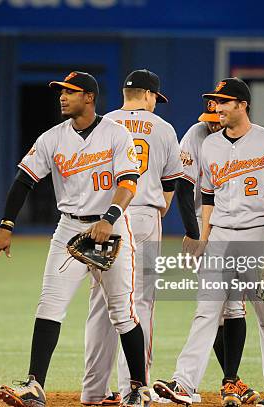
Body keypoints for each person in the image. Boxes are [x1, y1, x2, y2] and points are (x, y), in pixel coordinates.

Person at [0, 71, 151, 407]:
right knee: (50, 305)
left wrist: (109, 218)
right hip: (70, 230)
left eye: (70, 92)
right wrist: (6, 224)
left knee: (122, 313)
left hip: (111, 230)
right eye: (60, 92)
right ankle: (34, 386)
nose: (62, 97)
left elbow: (129, 181)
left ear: (89, 97)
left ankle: (139, 387)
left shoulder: (116, 135)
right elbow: (23, 181)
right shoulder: (52, 138)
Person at [153, 77, 264, 407]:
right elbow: (207, 196)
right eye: (214, 101)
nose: (217, 106)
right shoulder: (208, 146)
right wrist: (203, 238)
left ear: (242, 105)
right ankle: (185, 384)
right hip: (220, 235)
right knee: (206, 312)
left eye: (224, 101)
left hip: (258, 233)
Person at [80, 69, 183, 406]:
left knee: (101, 302)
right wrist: (156, 212)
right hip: (143, 215)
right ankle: (134, 389)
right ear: (150, 95)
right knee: (139, 304)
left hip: (105, 217)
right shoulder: (164, 129)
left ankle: (93, 390)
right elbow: (170, 186)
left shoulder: (102, 122)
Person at [173, 99, 259, 404]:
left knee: (230, 308)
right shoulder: (196, 135)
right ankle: (229, 381)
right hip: (206, 223)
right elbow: (184, 189)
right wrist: (193, 234)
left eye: (217, 117)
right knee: (216, 309)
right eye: (209, 118)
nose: (212, 123)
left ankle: (230, 381)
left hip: (242, 227)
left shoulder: (253, 140)